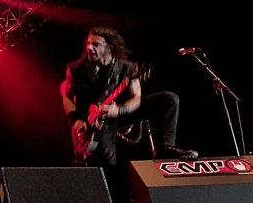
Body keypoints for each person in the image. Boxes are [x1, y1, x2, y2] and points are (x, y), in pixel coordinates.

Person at [60, 26, 197, 174]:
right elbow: (66, 95)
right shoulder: (77, 69)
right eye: (88, 43)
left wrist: (119, 110)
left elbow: (136, 98)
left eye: (96, 44)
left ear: (109, 47)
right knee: (108, 164)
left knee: (168, 99)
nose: (89, 48)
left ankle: (164, 148)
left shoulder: (128, 68)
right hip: (93, 122)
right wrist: (75, 120)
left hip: (120, 111)